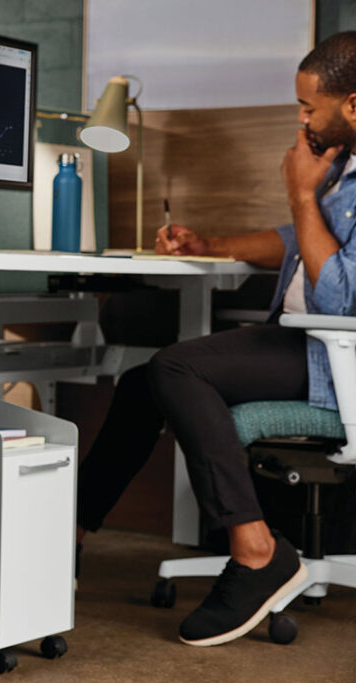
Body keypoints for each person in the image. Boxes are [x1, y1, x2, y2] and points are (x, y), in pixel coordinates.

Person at [74, 31, 356, 647]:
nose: (302, 119)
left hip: (337, 364)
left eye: (309, 108)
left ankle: (257, 551)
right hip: (303, 345)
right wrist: (213, 244)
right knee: (144, 382)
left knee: (177, 369)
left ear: (352, 106)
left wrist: (302, 191)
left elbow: (338, 295)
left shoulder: (328, 178)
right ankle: (69, 533)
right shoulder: (347, 170)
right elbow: (297, 241)